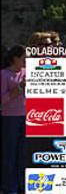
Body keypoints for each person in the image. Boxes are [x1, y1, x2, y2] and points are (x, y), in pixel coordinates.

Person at [1, 45, 26, 194]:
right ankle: (9, 187)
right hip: (10, 118)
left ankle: (23, 186)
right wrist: (18, 89)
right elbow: (2, 100)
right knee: (9, 153)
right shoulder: (4, 75)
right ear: (15, 58)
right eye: (24, 58)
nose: (26, 62)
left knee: (23, 154)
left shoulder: (27, 73)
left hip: (27, 117)